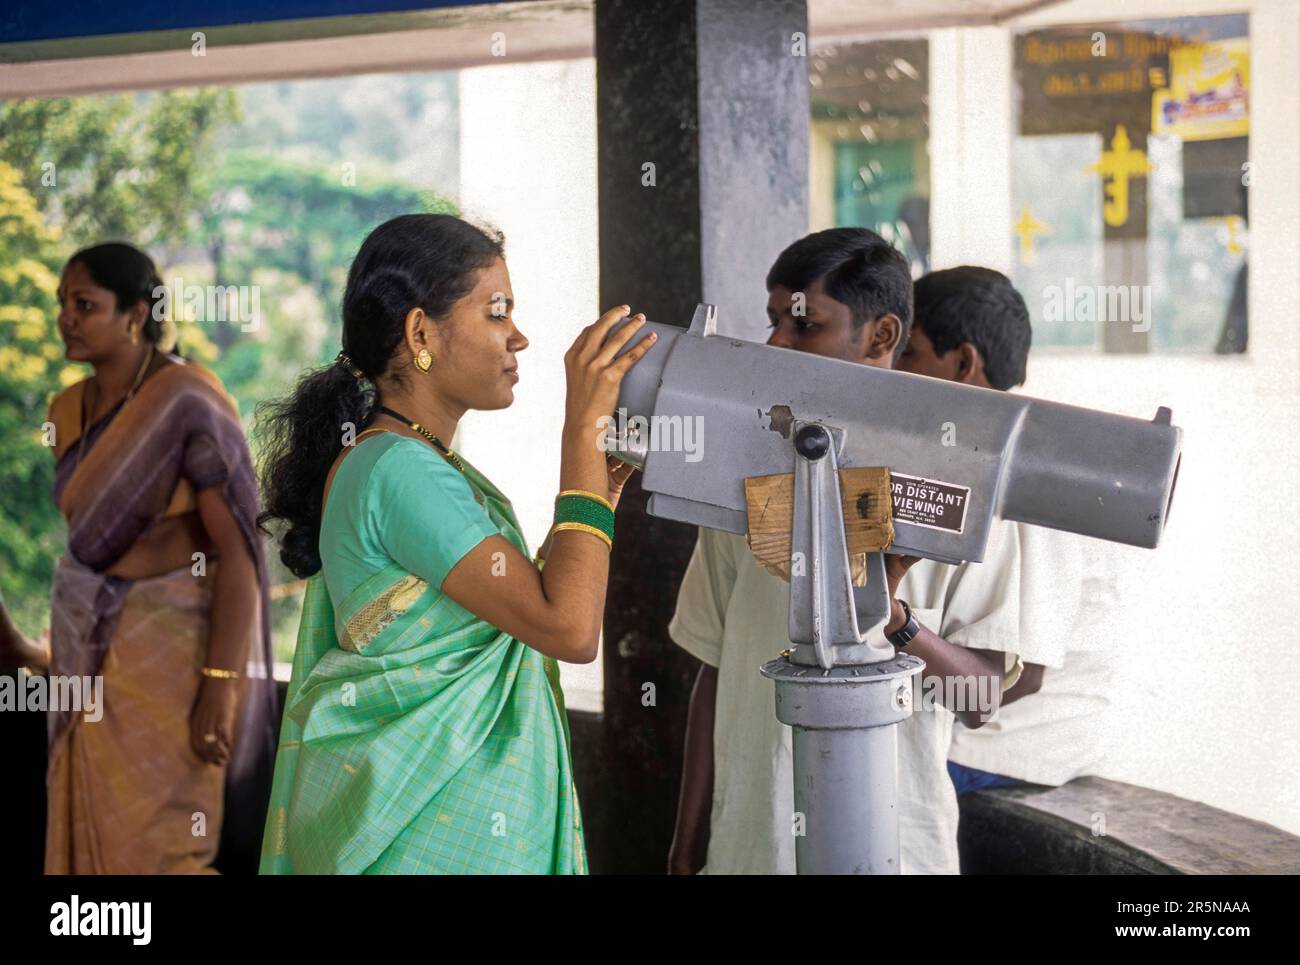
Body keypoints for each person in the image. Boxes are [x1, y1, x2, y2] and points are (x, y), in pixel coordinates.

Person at [256, 213, 655, 874]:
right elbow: (569, 626)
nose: (518, 337)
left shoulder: (411, 463)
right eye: (497, 313)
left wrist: (597, 494)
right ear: (420, 333)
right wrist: (581, 428)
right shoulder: (397, 469)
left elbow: (526, 606)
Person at [667, 230, 1024, 875]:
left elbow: (981, 699)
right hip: (748, 849)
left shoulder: (961, 489)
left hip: (897, 850)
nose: (777, 344)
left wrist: (894, 620)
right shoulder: (736, 476)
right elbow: (712, 669)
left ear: (881, 337)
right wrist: (688, 840)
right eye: (774, 321)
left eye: (806, 326)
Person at [44, 242, 277, 874]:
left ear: (135, 314)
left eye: (84, 304)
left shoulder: (190, 399)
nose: (65, 318)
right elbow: (89, 544)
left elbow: (237, 552)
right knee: (90, 836)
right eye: (62, 303)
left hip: (170, 664)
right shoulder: (64, 410)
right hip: (85, 655)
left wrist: (220, 688)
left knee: (166, 843)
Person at [898, 266, 1117, 795]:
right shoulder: (968, 454)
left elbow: (1026, 678)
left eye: (908, 354)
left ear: (965, 363)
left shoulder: (1031, 471)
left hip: (1005, 752)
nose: (891, 370)